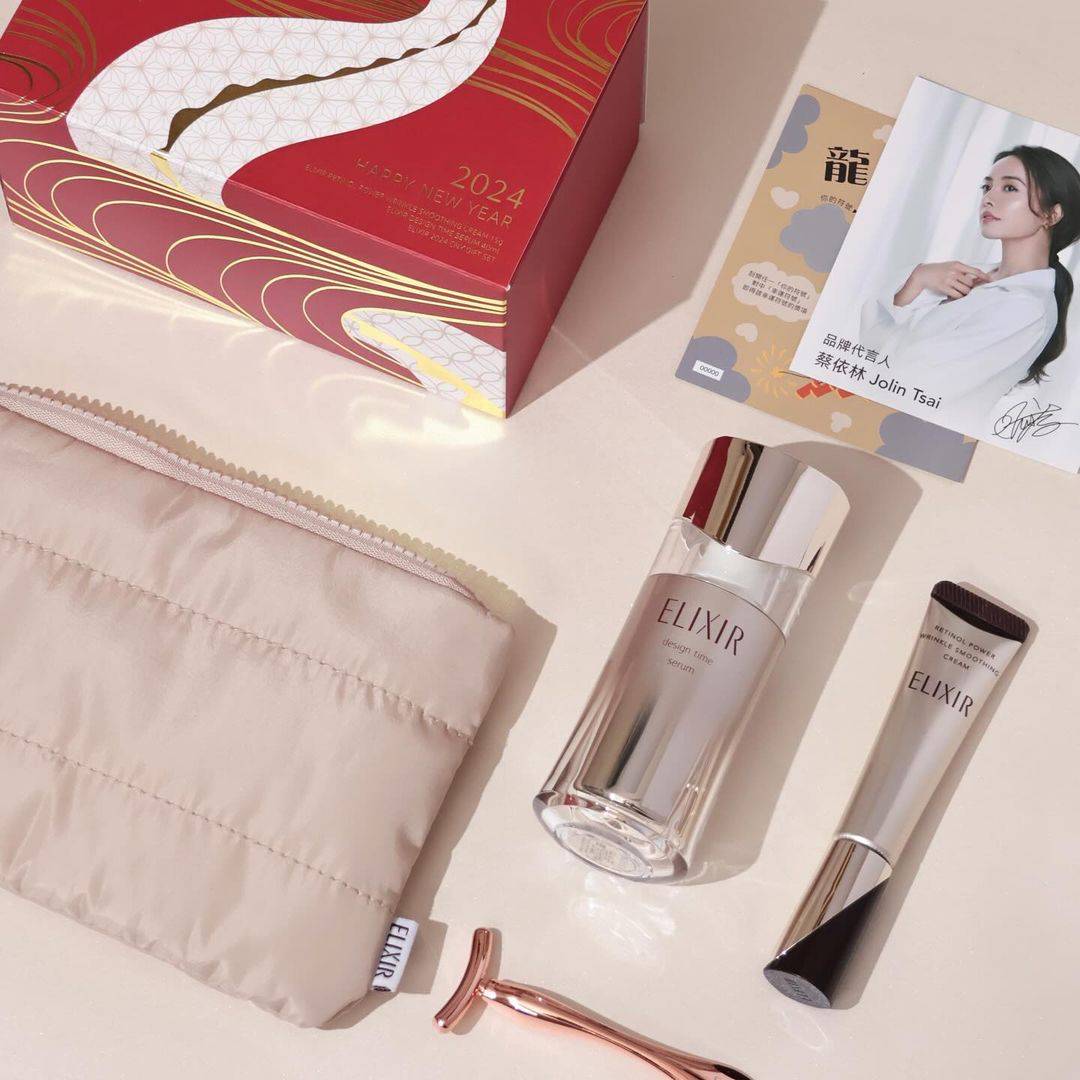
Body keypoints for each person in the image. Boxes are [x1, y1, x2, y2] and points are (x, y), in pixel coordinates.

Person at [861, 145, 1080, 430]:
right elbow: (869, 342)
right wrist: (917, 278)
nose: (989, 198)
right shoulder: (967, 275)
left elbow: (908, 382)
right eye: (987, 187)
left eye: (1010, 188)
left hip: (910, 433)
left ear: (1051, 214)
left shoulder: (1026, 307)